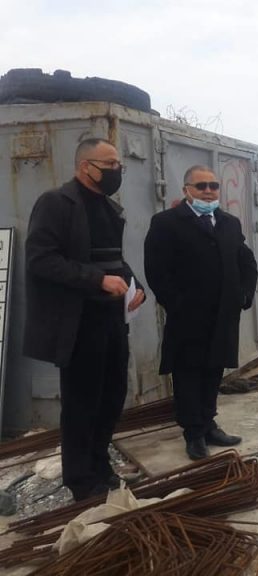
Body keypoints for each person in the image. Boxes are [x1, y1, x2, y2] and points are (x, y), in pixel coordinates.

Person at [24, 137, 146, 501]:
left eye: (119, 165)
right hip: (78, 323)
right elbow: (41, 260)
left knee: (112, 396)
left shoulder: (109, 208)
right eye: (110, 165)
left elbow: (114, 260)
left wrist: (135, 285)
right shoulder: (56, 203)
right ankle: (80, 481)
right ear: (85, 167)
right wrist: (97, 280)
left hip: (113, 320)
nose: (117, 171)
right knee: (82, 403)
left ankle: (99, 464)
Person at [144, 165, 258, 461]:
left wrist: (244, 295)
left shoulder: (229, 223)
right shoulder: (166, 223)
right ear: (187, 190)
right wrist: (176, 304)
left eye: (213, 186)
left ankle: (209, 424)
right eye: (201, 186)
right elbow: (156, 271)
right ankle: (193, 432)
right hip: (188, 317)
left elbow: (246, 261)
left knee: (213, 371)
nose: (208, 191)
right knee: (188, 373)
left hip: (223, 316)